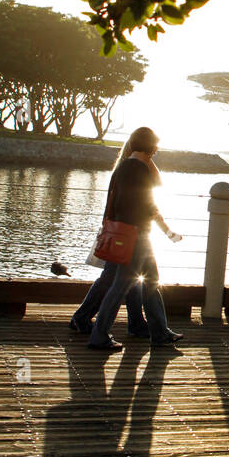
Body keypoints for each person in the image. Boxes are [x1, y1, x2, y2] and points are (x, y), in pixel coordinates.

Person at [87, 127, 185, 353]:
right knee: (121, 286)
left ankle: (160, 332)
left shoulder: (123, 166)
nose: (157, 150)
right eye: (155, 146)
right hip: (137, 235)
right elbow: (150, 199)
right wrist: (167, 230)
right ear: (151, 146)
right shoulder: (139, 168)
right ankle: (99, 335)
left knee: (151, 282)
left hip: (129, 233)